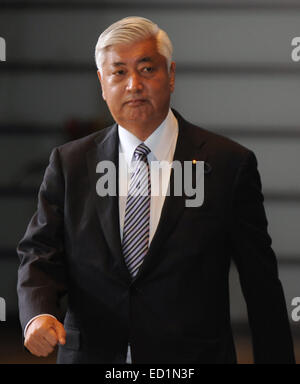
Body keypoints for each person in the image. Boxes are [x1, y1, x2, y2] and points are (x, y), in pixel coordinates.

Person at [17, 16, 295, 364]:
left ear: (172, 75)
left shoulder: (228, 165)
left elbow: (261, 283)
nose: (134, 84)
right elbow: (40, 251)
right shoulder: (69, 163)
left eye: (147, 69)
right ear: (103, 84)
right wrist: (37, 313)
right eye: (119, 73)